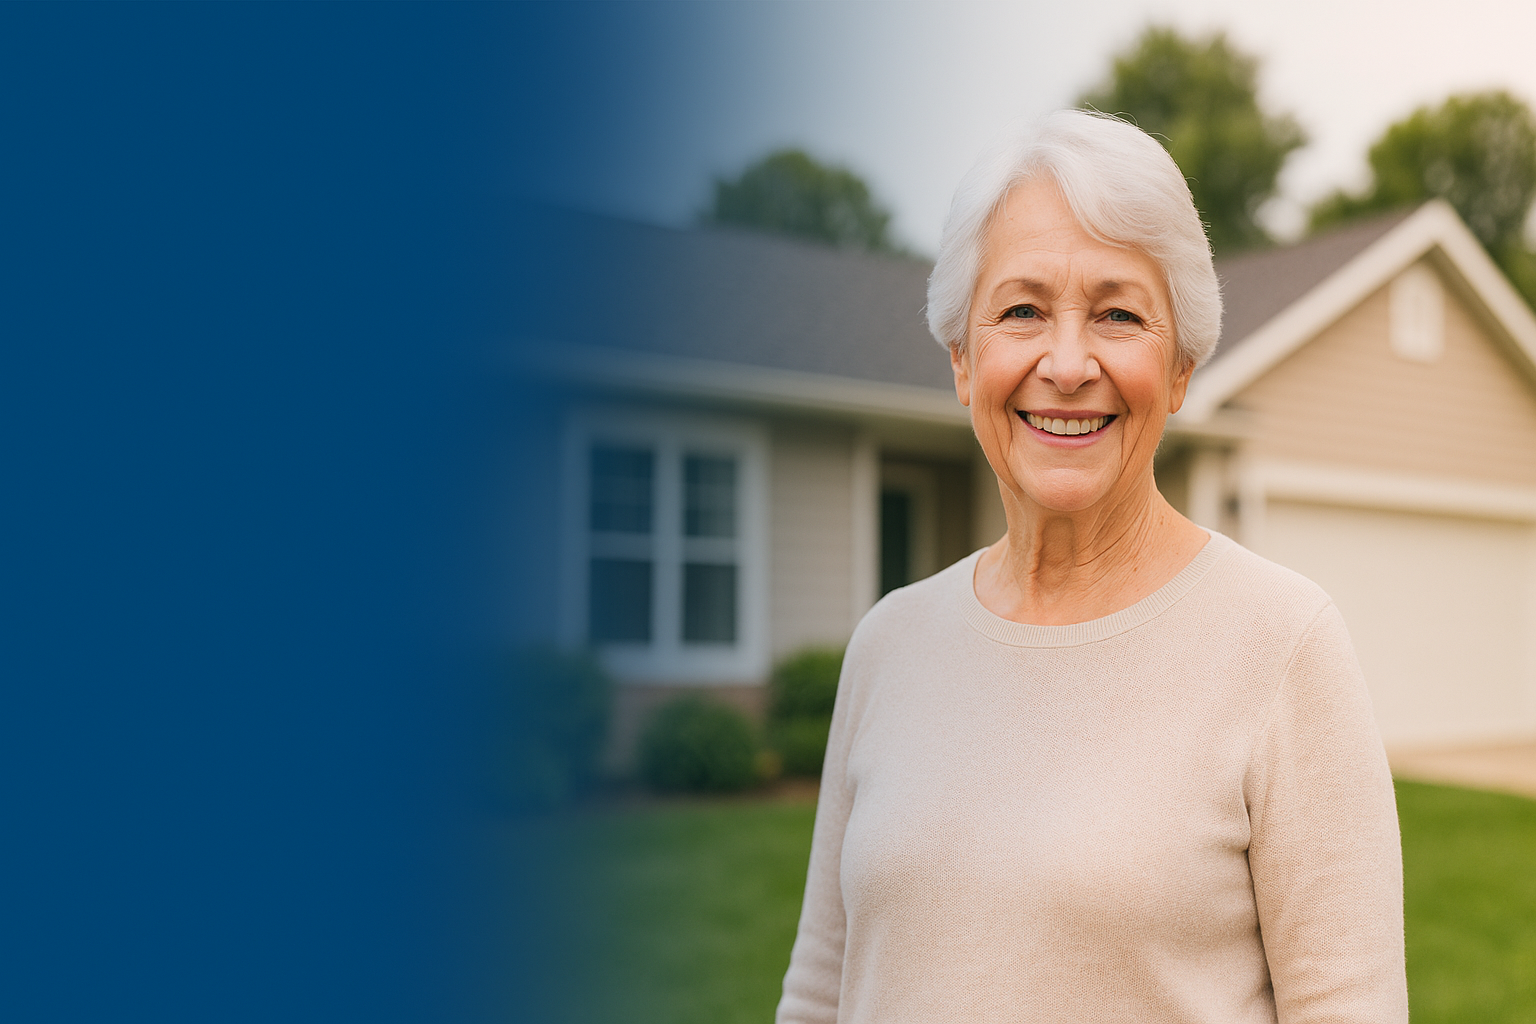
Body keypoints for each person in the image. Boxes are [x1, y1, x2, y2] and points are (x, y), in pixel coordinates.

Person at [775, 110, 1408, 1024]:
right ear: (962, 360)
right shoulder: (889, 644)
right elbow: (819, 991)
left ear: (1181, 367)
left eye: (1118, 314)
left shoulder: (1282, 645)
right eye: (1022, 310)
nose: (1068, 365)